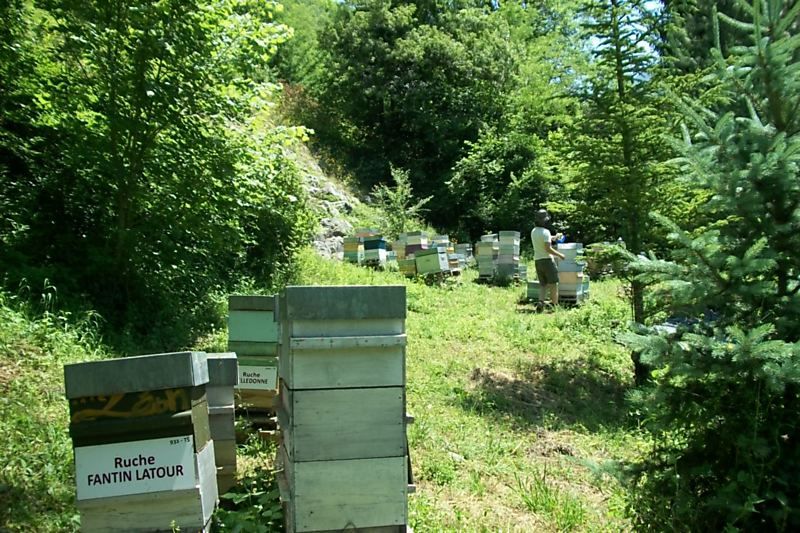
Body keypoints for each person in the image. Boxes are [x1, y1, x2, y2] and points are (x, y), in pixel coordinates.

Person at [530, 209, 565, 307]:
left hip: (537, 260)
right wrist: (560, 255)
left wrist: (555, 237)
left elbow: (544, 240)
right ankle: (554, 304)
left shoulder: (534, 231)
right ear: (545, 220)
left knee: (543, 284)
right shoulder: (546, 232)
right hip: (547, 260)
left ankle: (541, 302)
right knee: (554, 283)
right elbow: (548, 248)